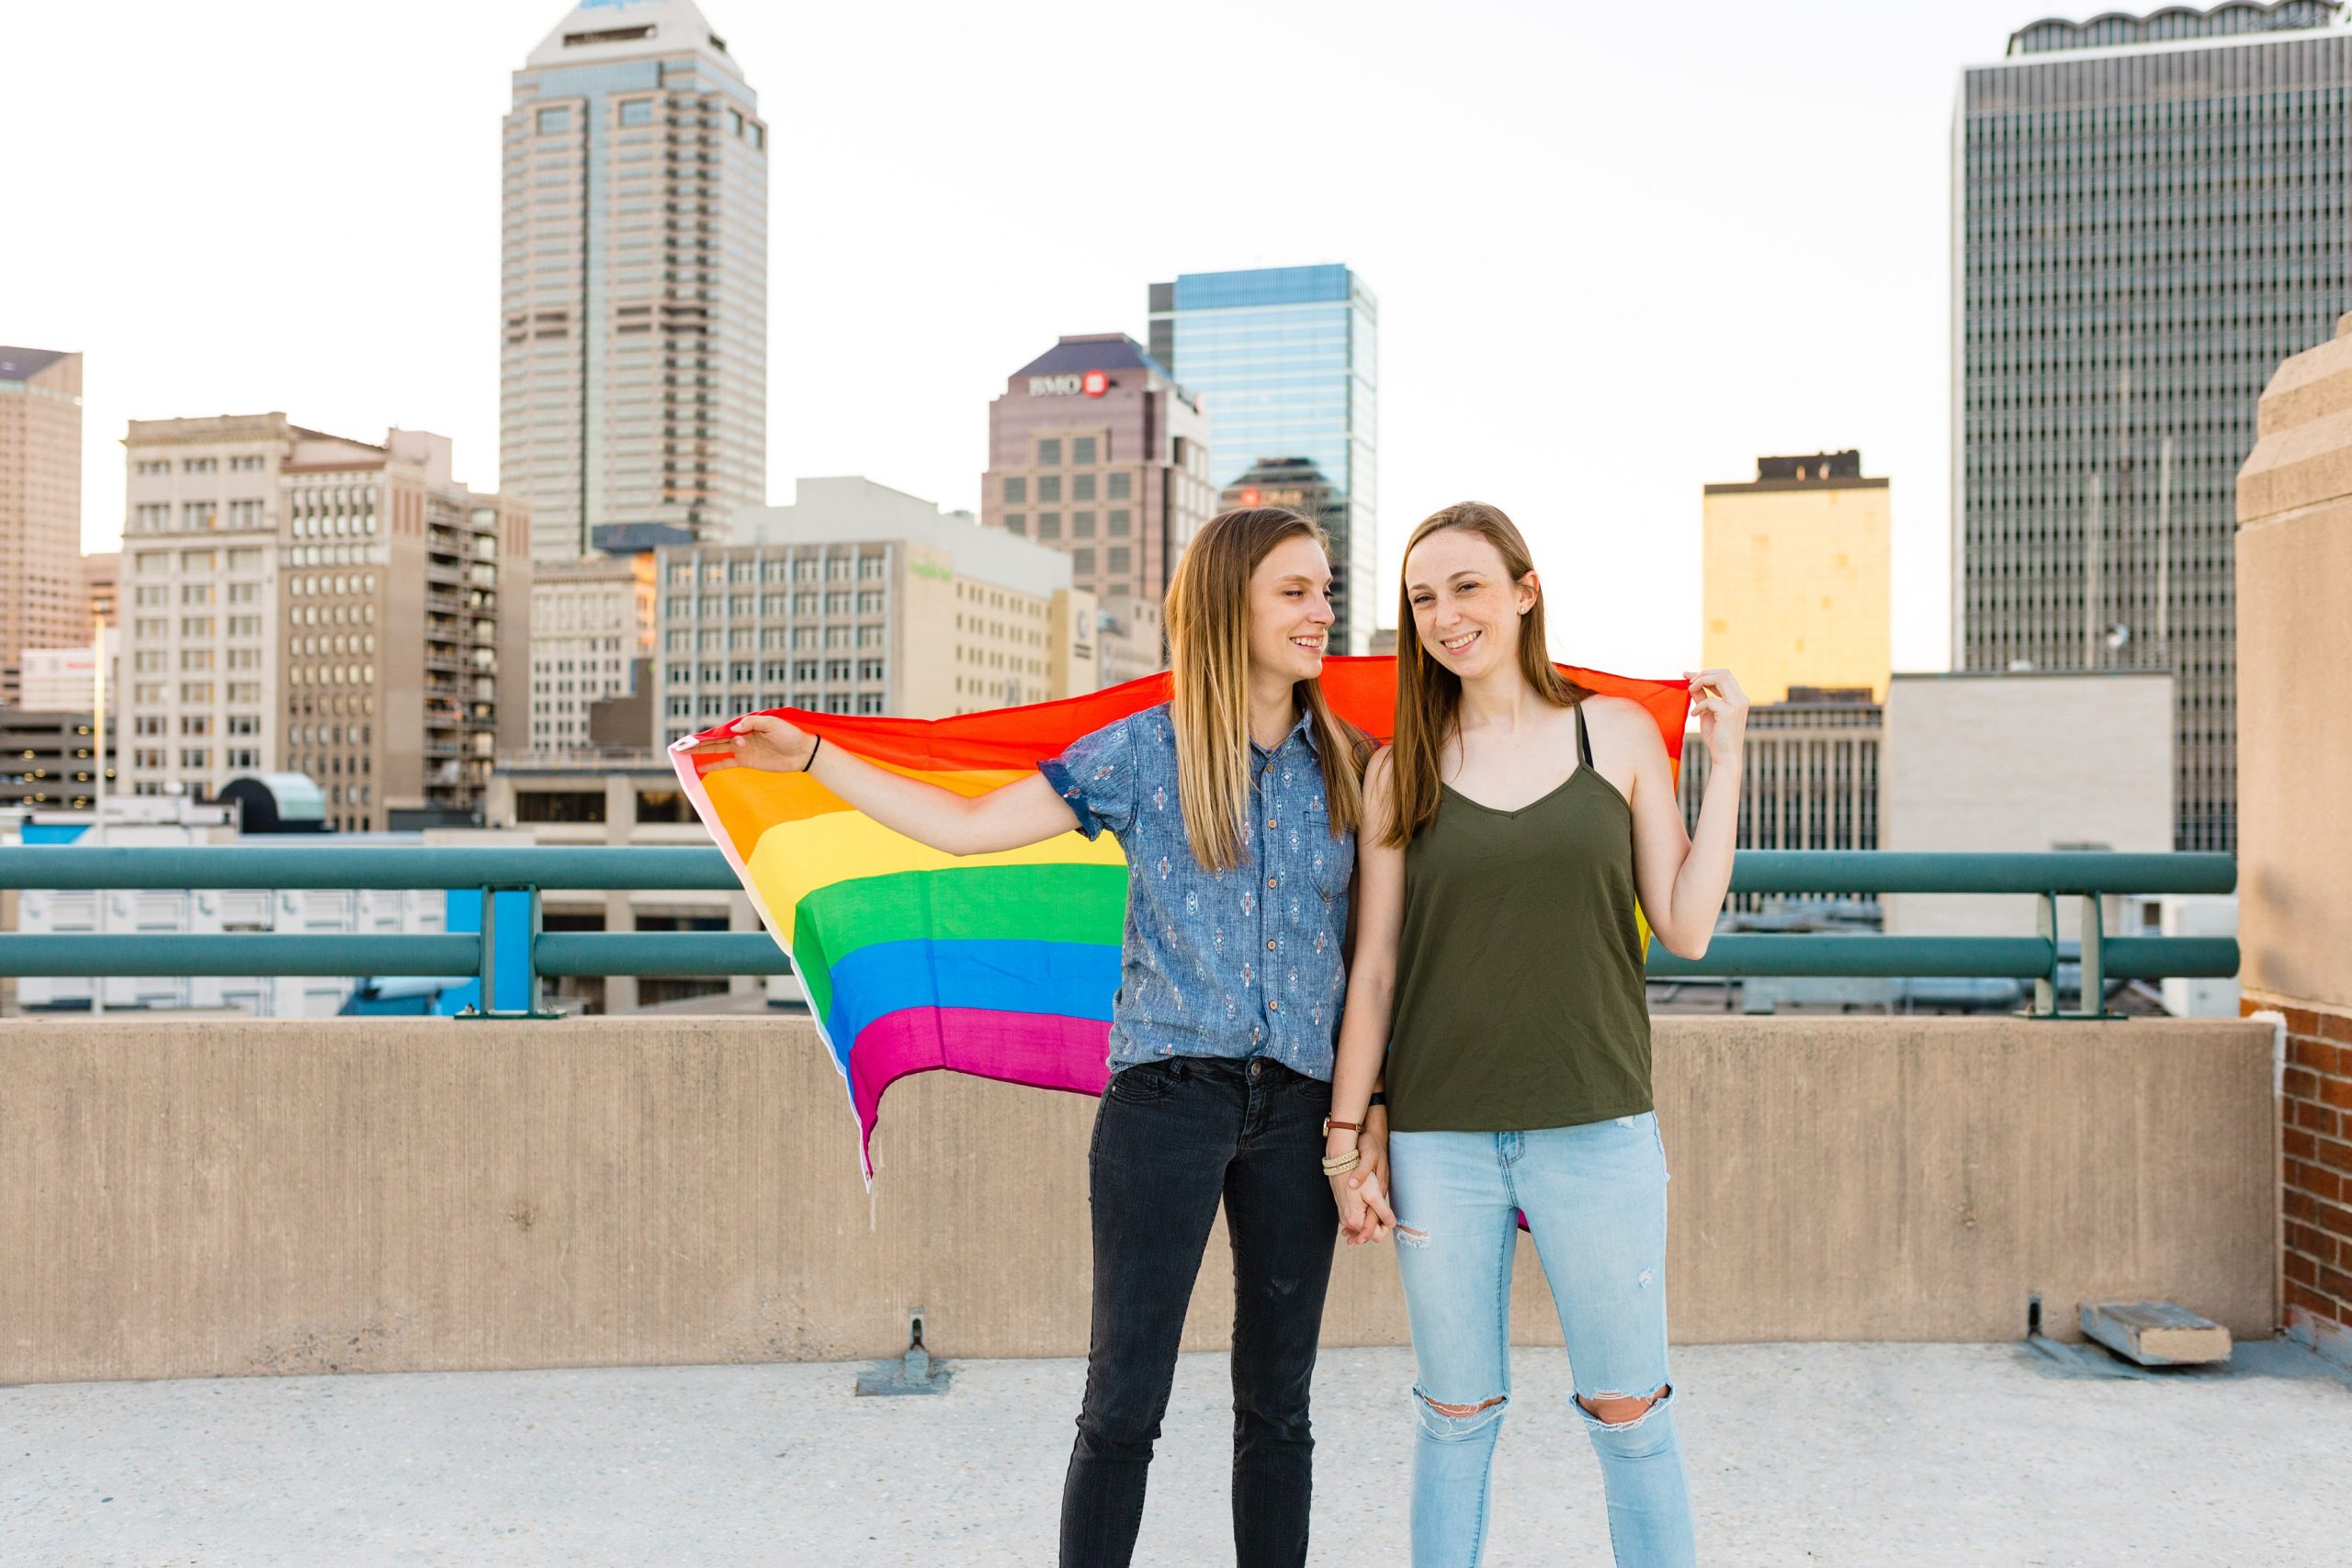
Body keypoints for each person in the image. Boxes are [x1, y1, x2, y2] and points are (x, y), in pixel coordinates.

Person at [690, 507, 1374, 1568]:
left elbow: (1387, 949)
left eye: (1326, 590)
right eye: (1295, 590)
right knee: (1122, 1406)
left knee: (1278, 1407)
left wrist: (1360, 1117)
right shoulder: (1147, 751)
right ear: (1227, 602)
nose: (1321, 611)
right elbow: (964, 829)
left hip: (1300, 1110)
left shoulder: (1353, 766)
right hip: (1165, 1103)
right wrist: (815, 754)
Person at [1323, 500, 1744, 1568]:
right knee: (1453, 1419)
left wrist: (1728, 753)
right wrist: (1346, 1135)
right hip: (1439, 1141)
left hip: (1597, 1129)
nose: (1445, 615)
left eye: (1467, 587)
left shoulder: (1616, 734)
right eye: (1422, 598)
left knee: (1631, 1416)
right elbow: (1372, 970)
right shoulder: (1397, 769)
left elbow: (1687, 925)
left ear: (1524, 590)